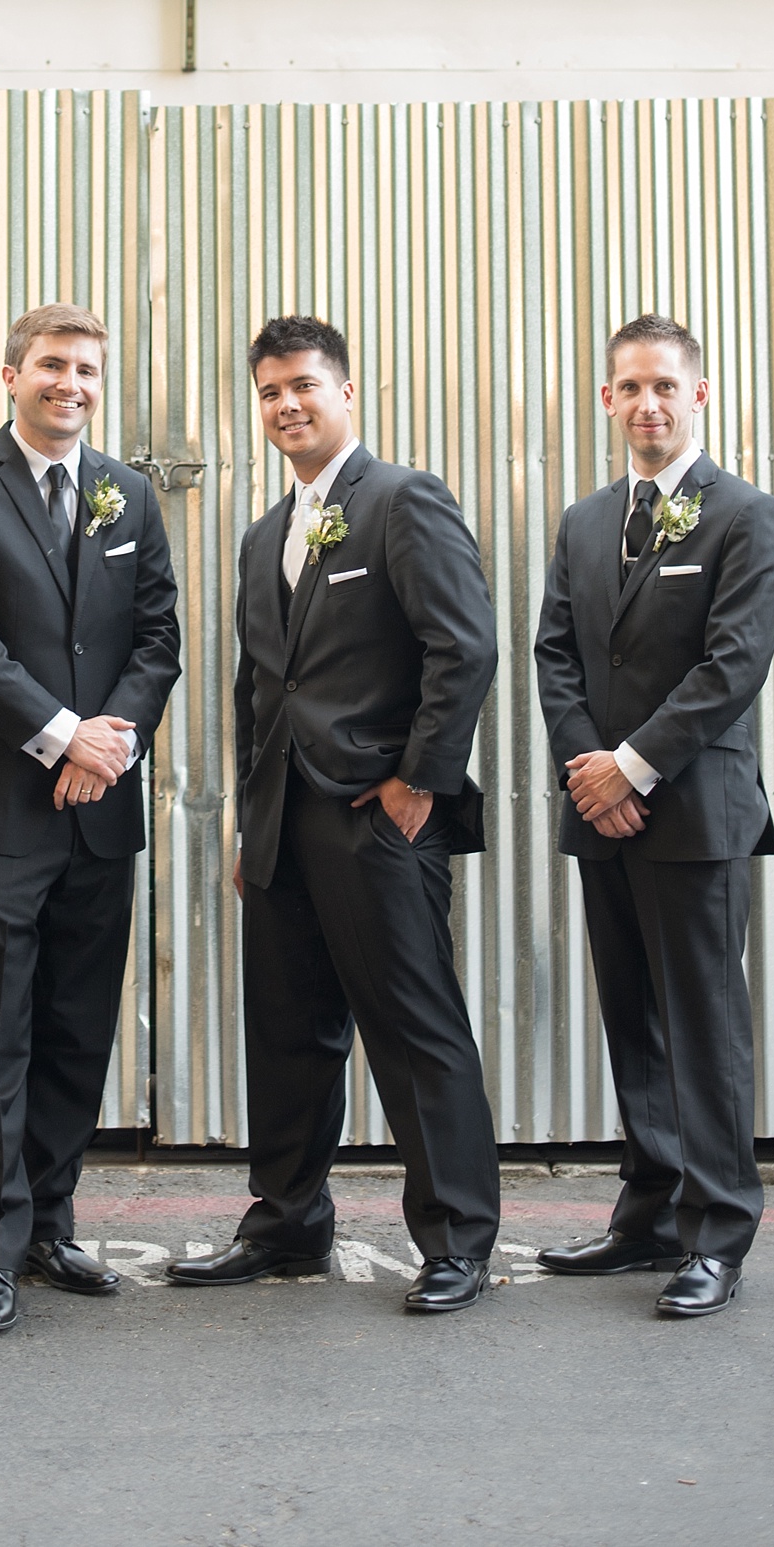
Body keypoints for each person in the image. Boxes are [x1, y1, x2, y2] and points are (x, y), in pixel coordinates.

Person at [169, 314, 501, 1314]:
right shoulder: (264, 534)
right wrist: (244, 817)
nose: (286, 405)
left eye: (304, 386)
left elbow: (463, 648)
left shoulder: (402, 501)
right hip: (280, 825)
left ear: (346, 393)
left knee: (412, 1027)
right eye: (269, 391)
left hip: (375, 816)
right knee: (286, 1033)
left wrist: (417, 782)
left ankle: (454, 1239)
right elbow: (252, 688)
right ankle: (286, 1222)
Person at [0, 304, 180, 1335]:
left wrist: (109, 745)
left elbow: (156, 635)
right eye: (51, 366)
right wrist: (61, 736)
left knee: (76, 1030)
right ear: (9, 375)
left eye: (85, 369)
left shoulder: (129, 495)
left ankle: (51, 1224)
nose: (69, 383)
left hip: (96, 810)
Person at [533, 311, 774, 1318]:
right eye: (628, 388)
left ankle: (716, 1231)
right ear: (606, 399)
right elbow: (555, 655)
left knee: (700, 1027)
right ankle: (645, 1217)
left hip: (690, 814)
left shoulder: (744, 516)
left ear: (698, 396)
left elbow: (732, 665)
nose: (646, 405)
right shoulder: (584, 521)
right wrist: (583, 771)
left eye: (664, 388)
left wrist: (631, 768)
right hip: (599, 812)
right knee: (631, 1022)